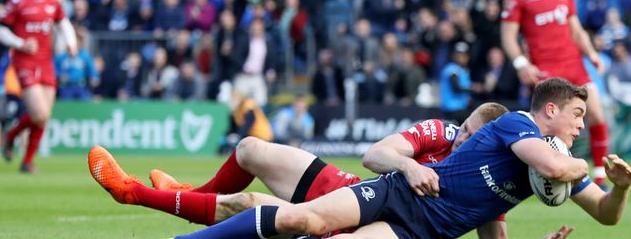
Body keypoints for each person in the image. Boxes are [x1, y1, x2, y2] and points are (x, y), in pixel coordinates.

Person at [164, 78, 631, 239]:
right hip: (400, 189)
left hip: (417, 231)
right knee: (300, 220)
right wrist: (584, 165)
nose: (580, 123)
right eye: (576, 114)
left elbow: (605, 216)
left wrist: (621, 188)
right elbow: (556, 169)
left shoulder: (551, 160)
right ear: (549, 110)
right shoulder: (518, 125)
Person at [88, 103, 552, 239]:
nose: (461, 138)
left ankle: (132, 192)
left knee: (246, 205)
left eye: (472, 136)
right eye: (465, 128)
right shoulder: (440, 132)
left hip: (364, 221)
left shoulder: (486, 182)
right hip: (350, 187)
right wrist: (410, 166)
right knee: (250, 148)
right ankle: (190, 194)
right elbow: (375, 155)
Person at [501, 0, 611, 186]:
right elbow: (508, 35)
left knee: (595, 114)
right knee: (547, 126)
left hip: (573, 63)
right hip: (545, 69)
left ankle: (601, 177)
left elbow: (576, 29)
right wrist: (521, 63)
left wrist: (592, 54)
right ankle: (534, 174)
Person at [0, 0, 78, 173]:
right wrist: (21, 43)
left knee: (43, 118)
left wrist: (71, 42)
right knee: (39, 113)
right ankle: (11, 137)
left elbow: (63, 23)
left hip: (46, 62)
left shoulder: (54, 1)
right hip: (24, 62)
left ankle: (26, 160)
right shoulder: (18, 1)